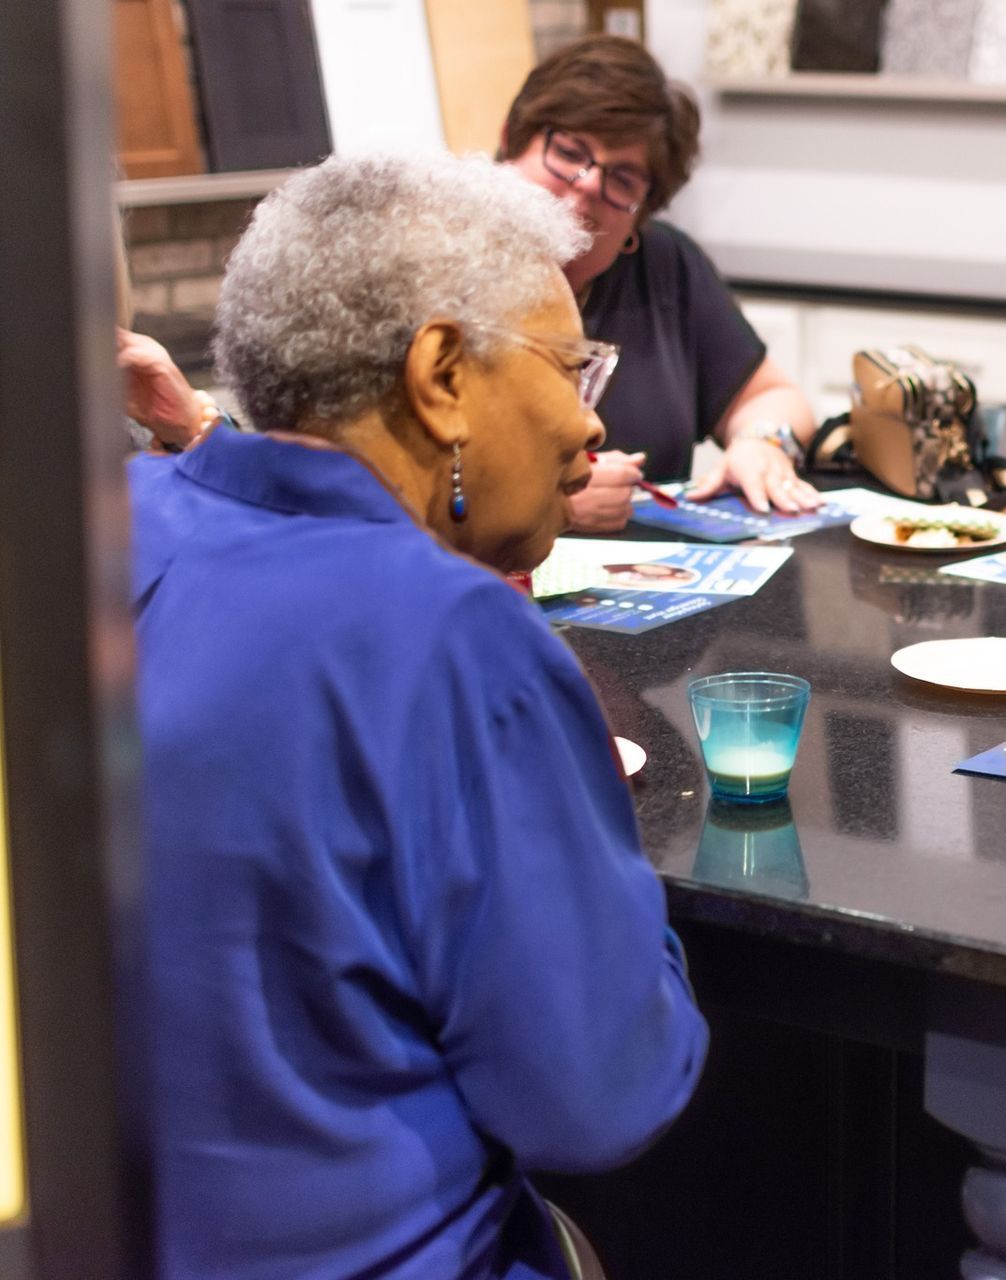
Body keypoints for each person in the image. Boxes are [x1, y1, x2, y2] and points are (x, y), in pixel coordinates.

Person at [133, 152, 707, 1280]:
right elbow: (601, 1093)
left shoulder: (107, 519)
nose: (590, 428)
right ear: (441, 371)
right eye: (571, 367)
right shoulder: (452, 636)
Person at [498, 34, 820, 526]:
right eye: (568, 151)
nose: (586, 185)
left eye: (622, 179)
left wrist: (762, 443)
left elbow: (771, 397)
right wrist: (539, 504)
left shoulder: (664, 264)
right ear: (510, 141)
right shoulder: (426, 258)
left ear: (641, 215)